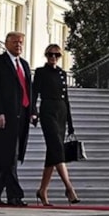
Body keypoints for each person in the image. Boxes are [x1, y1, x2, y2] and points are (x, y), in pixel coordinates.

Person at [0, 31, 38, 206]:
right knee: (9, 156)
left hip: (22, 115)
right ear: (6, 43)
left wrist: (32, 111)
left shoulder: (25, 65)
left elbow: (28, 90)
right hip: (5, 116)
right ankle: (15, 195)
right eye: (15, 42)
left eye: (21, 42)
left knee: (7, 157)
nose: (18, 45)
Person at [32, 44, 80, 205]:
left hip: (61, 113)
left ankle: (42, 190)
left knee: (52, 152)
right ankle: (69, 188)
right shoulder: (41, 72)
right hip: (47, 111)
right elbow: (34, 93)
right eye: (50, 54)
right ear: (46, 56)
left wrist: (70, 123)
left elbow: (66, 98)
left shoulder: (62, 73)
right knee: (57, 149)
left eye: (56, 55)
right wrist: (33, 111)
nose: (53, 57)